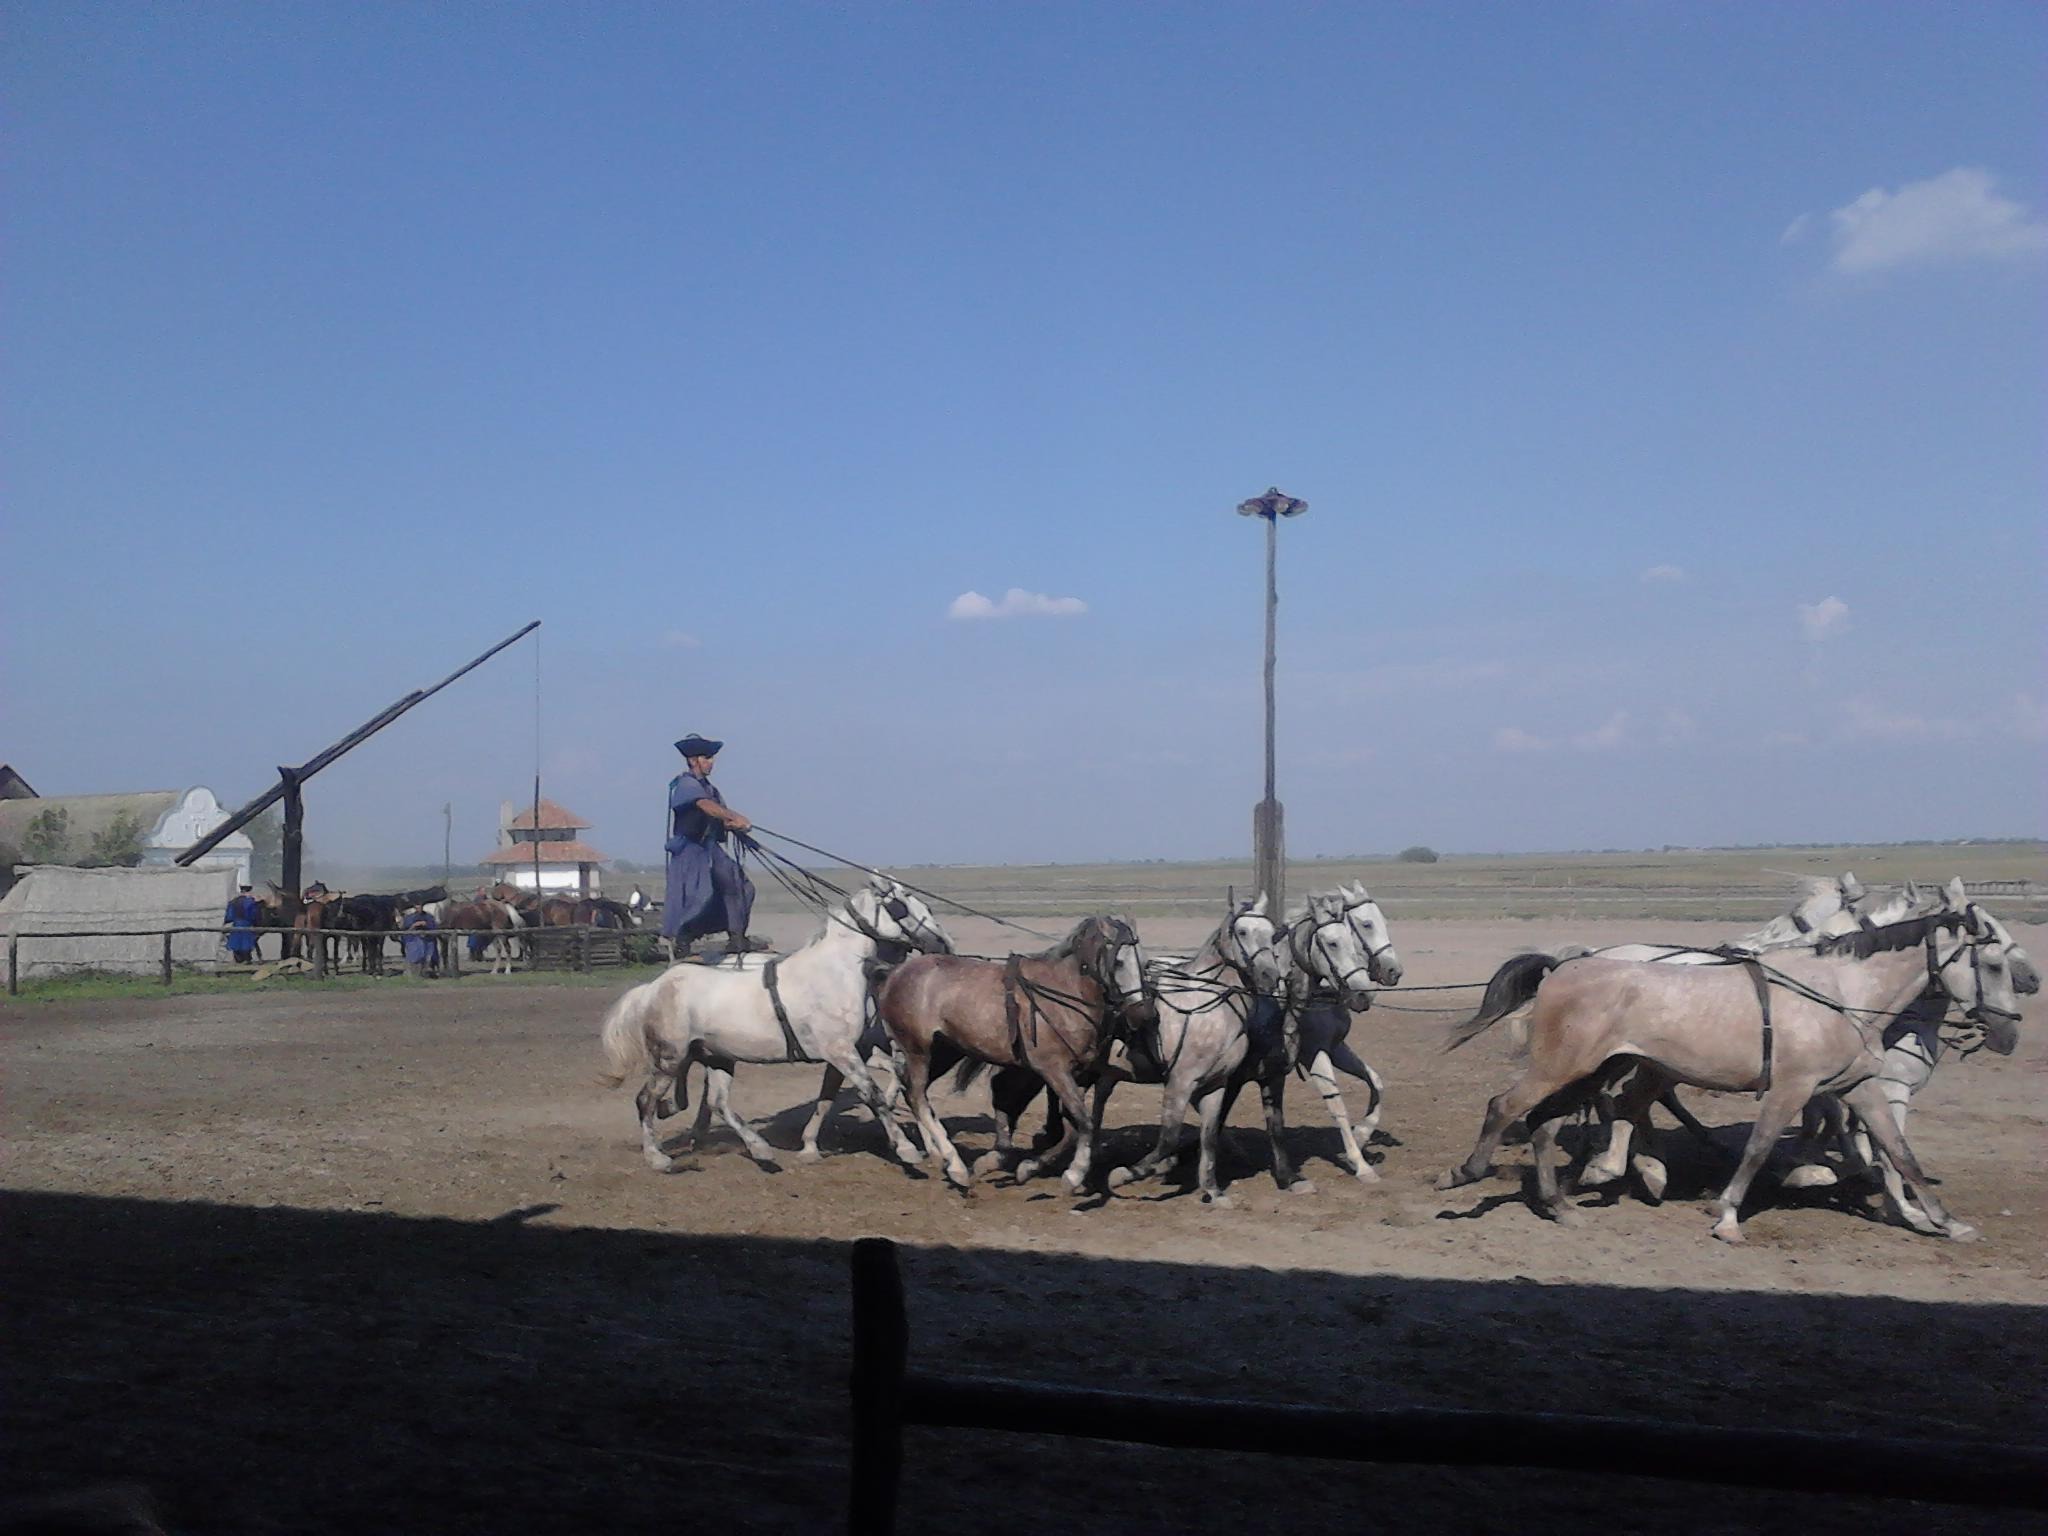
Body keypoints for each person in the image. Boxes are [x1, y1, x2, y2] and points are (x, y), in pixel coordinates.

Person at [662, 733, 759, 957]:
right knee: (701, 895)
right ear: (693, 760)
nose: (712, 762)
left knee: (741, 885)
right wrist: (734, 816)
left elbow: (720, 818)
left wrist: (737, 827)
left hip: (710, 847)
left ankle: (736, 937)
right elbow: (705, 806)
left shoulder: (711, 788)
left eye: (712, 758)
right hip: (690, 851)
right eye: (707, 757)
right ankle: (684, 938)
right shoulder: (686, 784)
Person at [225, 885, 263, 964]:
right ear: (249, 892)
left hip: (236, 926)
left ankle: (238, 961)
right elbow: (255, 916)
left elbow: (229, 917)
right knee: (247, 945)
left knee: (236, 946)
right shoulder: (252, 903)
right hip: (247, 926)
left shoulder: (233, 902)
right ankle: (247, 961)